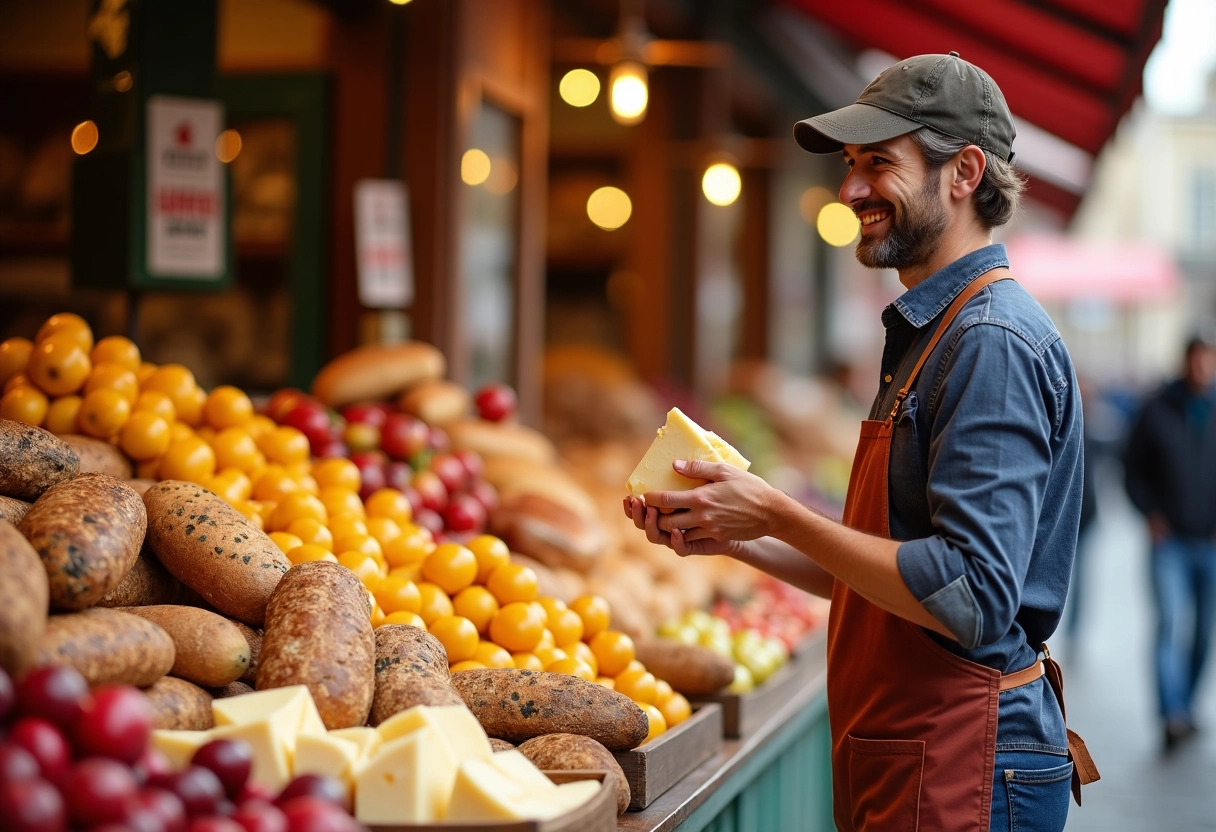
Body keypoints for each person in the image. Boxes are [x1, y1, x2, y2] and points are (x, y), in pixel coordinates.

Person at [624, 52, 1097, 831]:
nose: (849, 191)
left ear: (964, 172)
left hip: (966, 765)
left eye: (878, 164)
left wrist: (775, 512)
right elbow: (890, 569)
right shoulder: (935, 329)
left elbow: (970, 595)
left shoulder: (989, 342)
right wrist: (733, 538)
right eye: (850, 165)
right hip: (920, 754)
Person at [1122, 330, 1216, 752]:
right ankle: (1171, 715)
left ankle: (1186, 705)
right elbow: (1131, 468)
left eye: (1209, 360)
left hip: (1210, 543)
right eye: (1197, 358)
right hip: (1169, 541)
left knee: (1203, 634)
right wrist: (1150, 514)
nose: (1202, 367)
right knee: (1169, 623)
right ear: (1185, 360)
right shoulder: (1156, 408)